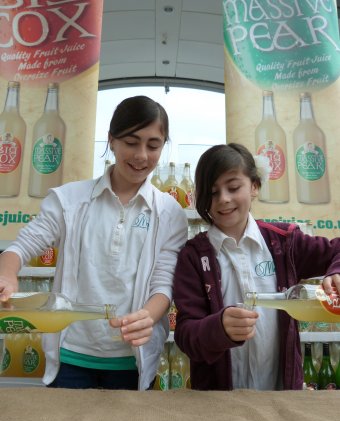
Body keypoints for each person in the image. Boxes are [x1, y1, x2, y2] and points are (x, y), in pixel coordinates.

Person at [0, 95, 188, 390]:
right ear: (111, 140)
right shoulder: (69, 200)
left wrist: (146, 317)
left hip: (132, 360)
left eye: (153, 145)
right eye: (131, 142)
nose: (141, 155)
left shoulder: (169, 213)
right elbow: (23, 246)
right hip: (71, 356)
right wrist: (7, 273)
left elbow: (163, 283)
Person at [173, 143, 340, 391]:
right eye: (213, 192)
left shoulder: (284, 242)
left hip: (281, 398)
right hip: (217, 404)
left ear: (254, 186)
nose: (224, 199)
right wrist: (218, 329)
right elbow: (186, 335)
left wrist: (335, 271)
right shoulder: (193, 257)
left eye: (233, 187)